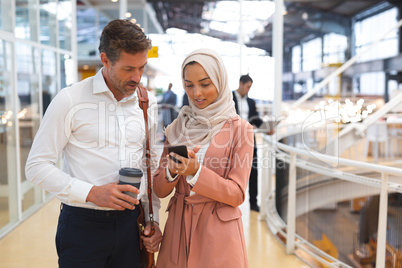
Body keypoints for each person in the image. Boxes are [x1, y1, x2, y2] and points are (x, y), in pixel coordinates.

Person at [25, 19, 162, 268]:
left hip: (131, 225)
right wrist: (92, 193)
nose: (137, 77)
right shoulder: (70, 100)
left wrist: (153, 219)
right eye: (128, 68)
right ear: (105, 60)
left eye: (142, 67)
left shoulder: (147, 102)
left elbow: (149, 166)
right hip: (82, 226)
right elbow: (36, 166)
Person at [153, 48, 254, 268]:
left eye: (205, 84)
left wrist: (196, 173)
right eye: (189, 85)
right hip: (178, 229)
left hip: (217, 232)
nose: (196, 93)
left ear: (219, 81)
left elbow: (237, 194)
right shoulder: (178, 126)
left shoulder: (241, 130)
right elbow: (160, 190)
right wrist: (171, 171)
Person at [232, 74, 263, 212]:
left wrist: (266, 127)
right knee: (231, 170)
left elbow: (255, 118)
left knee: (254, 170)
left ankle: (253, 203)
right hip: (232, 140)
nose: (248, 90)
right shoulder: (229, 98)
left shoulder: (251, 102)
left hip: (250, 139)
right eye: (248, 87)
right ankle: (231, 200)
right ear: (241, 83)